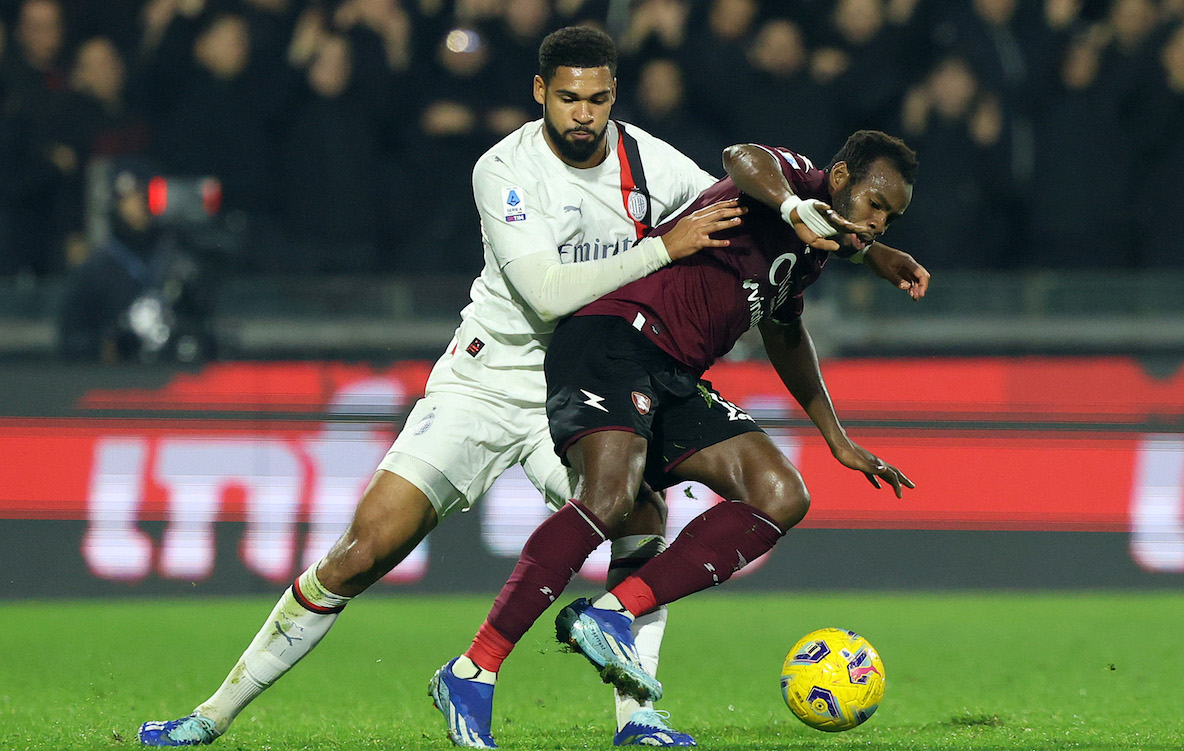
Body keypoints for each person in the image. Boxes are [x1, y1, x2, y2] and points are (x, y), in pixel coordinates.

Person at [138, 26, 745, 749]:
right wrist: (662, 247)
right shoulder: (504, 167)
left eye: (598, 99)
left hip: (585, 385)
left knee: (640, 512)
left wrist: (814, 218)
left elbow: (735, 204)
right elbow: (546, 292)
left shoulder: (648, 159)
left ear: (615, 93)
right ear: (540, 94)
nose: (583, 114)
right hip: (485, 383)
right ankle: (211, 714)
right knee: (363, 550)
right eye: (569, 98)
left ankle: (636, 718)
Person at [436, 130, 926, 735]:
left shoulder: (812, 253)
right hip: (612, 339)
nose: (880, 223)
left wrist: (836, 438)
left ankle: (613, 617)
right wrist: (796, 205)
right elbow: (741, 160)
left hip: (672, 371)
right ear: (843, 176)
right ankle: (473, 670)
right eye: (875, 205)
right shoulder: (794, 184)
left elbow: (785, 334)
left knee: (780, 493)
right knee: (611, 500)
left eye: (892, 218)